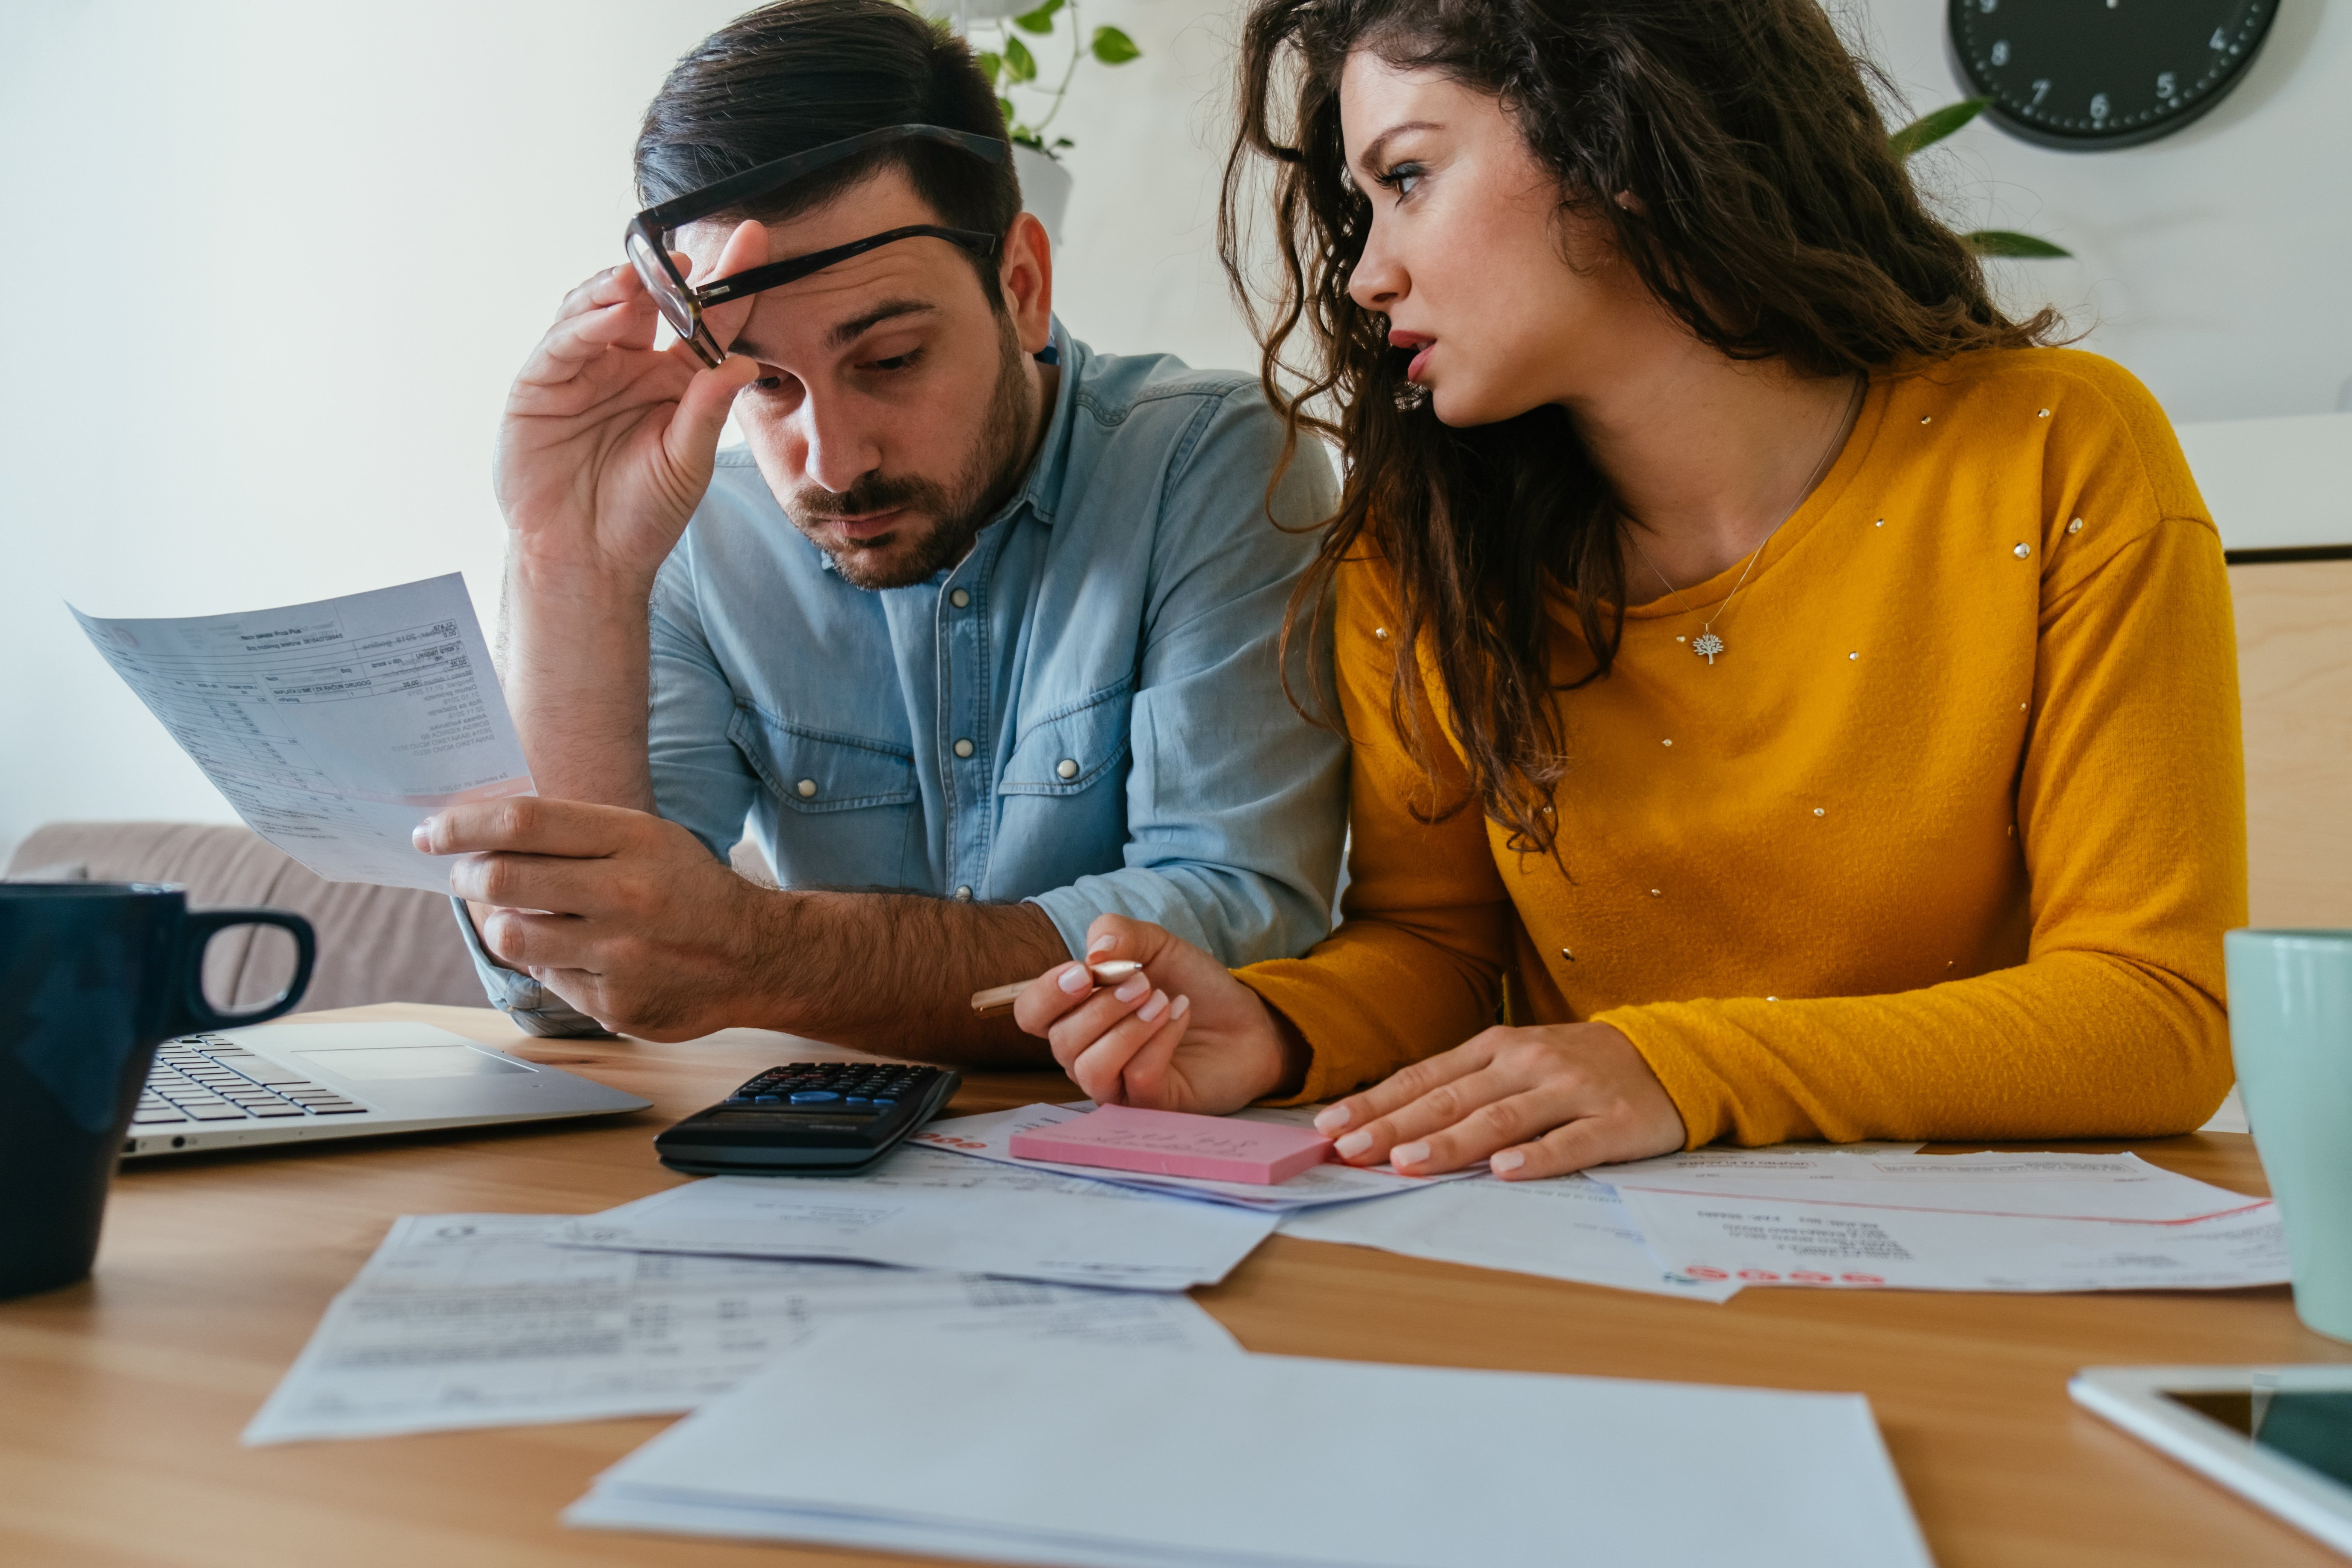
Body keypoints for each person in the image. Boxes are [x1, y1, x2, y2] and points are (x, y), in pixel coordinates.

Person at [1015, 0, 2243, 1176]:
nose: (1365, 276)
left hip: (1985, 1273)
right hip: (1592, 1249)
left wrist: (1673, 1066)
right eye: (1362, 205)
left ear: (1617, 137)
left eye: (1405, 178)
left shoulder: (2056, 450)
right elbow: (1439, 948)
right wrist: (1274, 1029)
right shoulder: (1422, 539)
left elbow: (2156, 1013)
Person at [414, 0, 1347, 1055]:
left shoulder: (1203, 464)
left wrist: (762, 950)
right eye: (764, 382)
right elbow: (577, 988)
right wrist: (567, 561)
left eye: (890, 358)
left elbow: (1244, 921)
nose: (833, 458)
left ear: (1022, 287)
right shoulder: (693, 534)